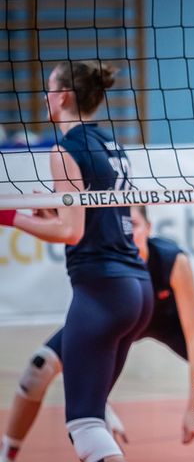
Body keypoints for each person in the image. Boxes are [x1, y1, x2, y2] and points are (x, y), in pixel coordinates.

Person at [0, 61, 152, 462]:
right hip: (136, 290)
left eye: (50, 89)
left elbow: (71, 232)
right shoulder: (112, 145)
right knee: (74, 399)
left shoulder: (65, 148)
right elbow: (108, 217)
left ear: (64, 96)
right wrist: (50, 210)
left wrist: (10, 216)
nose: (45, 97)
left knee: (84, 425)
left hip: (102, 291)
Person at [0, 206, 194, 461]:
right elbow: (88, 344)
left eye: (133, 226)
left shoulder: (171, 259)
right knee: (39, 368)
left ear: (149, 228)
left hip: (166, 322)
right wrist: (101, 403)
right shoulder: (107, 263)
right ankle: (7, 453)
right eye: (123, 227)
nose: (127, 234)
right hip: (116, 319)